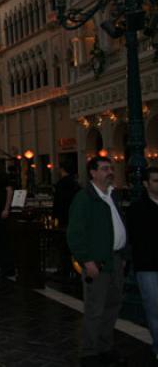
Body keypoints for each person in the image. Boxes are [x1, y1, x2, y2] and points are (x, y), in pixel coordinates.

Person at [67, 156, 126, 366]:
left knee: (112, 307)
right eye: (104, 169)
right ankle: (90, 352)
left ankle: (105, 347)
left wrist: (123, 254)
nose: (109, 172)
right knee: (95, 309)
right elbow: (75, 233)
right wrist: (86, 260)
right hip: (97, 264)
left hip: (115, 260)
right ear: (92, 173)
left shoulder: (111, 195)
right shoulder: (84, 198)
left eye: (111, 168)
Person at [127, 167, 158, 362]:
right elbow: (137, 241)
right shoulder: (136, 209)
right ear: (146, 184)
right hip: (148, 266)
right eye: (155, 181)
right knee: (154, 309)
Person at [53, 162, 80, 278]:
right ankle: (74, 269)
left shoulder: (61, 184)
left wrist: (55, 216)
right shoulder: (75, 184)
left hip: (63, 217)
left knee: (63, 245)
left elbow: (58, 203)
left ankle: (64, 269)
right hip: (73, 217)